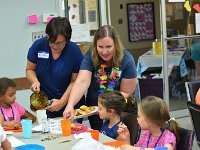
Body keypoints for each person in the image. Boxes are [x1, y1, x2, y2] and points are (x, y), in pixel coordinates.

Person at [63, 25, 137, 130]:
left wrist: (107, 107)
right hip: (96, 109)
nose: (104, 52)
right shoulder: (91, 55)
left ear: (115, 44)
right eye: (100, 47)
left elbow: (125, 93)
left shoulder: (126, 59)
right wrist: (70, 105)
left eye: (108, 47)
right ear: (95, 45)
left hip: (120, 110)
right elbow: (81, 82)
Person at [26, 17, 85, 118]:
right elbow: (30, 69)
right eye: (51, 41)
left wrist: (62, 101)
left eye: (59, 43)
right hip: (46, 104)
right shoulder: (39, 46)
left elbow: (75, 81)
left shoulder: (74, 51)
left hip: (69, 104)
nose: (54, 46)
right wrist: (34, 81)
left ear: (67, 39)